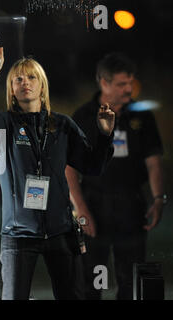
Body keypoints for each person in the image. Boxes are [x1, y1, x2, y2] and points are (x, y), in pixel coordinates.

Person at [0, 47, 115, 300]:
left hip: (60, 232)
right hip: (18, 235)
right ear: (12, 89)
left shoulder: (62, 125)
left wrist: (104, 135)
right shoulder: (5, 125)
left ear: (42, 85)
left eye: (32, 77)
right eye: (18, 79)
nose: (25, 82)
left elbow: (93, 166)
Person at [65, 52, 166, 300]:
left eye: (130, 83)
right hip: (94, 203)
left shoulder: (142, 116)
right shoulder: (83, 117)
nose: (129, 89)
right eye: (122, 84)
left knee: (131, 280)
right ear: (104, 82)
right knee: (90, 281)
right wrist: (81, 209)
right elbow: (69, 169)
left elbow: (153, 162)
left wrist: (158, 198)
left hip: (131, 205)